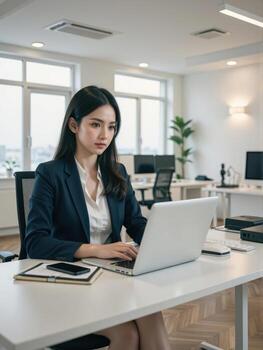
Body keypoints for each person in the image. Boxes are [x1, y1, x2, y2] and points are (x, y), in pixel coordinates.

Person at [25, 86, 171, 350]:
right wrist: (96, 250)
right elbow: (35, 242)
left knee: (152, 312)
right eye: (95, 124)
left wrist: (163, 241)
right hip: (71, 280)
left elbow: (135, 222)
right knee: (127, 335)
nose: (105, 135)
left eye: (112, 126)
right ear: (73, 125)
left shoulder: (117, 172)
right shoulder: (50, 174)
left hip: (113, 276)